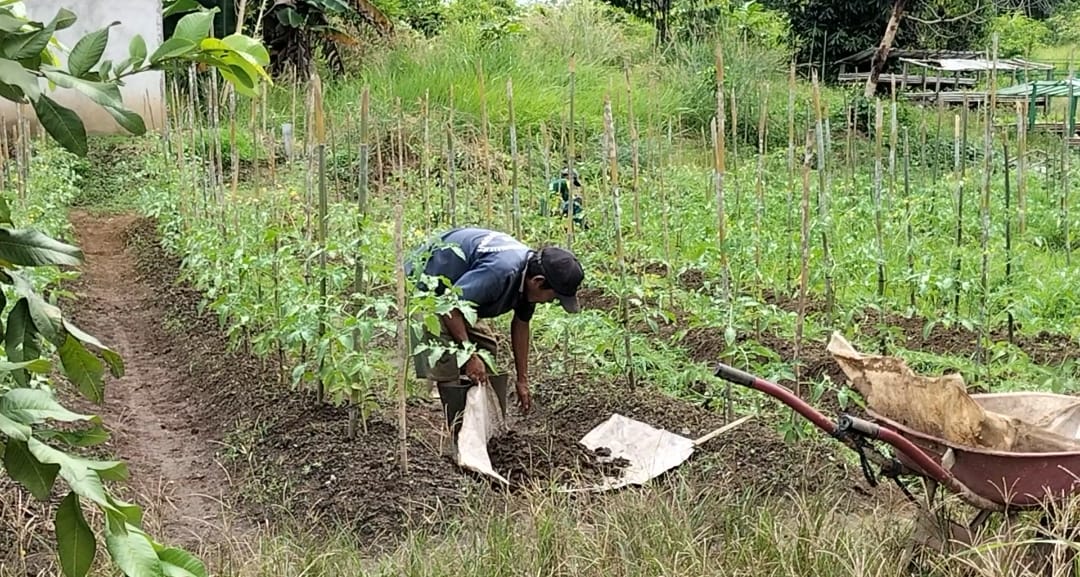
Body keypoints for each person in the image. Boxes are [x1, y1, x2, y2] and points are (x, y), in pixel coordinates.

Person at [405, 227, 585, 450]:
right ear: (538, 282)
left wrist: (523, 379)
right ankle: (460, 441)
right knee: (447, 360)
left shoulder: (528, 277)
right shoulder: (501, 271)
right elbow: (449, 307)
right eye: (554, 297)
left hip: (458, 295)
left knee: (486, 348)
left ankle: (487, 431)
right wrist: (468, 354)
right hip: (429, 291)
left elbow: (521, 323)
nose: (550, 302)